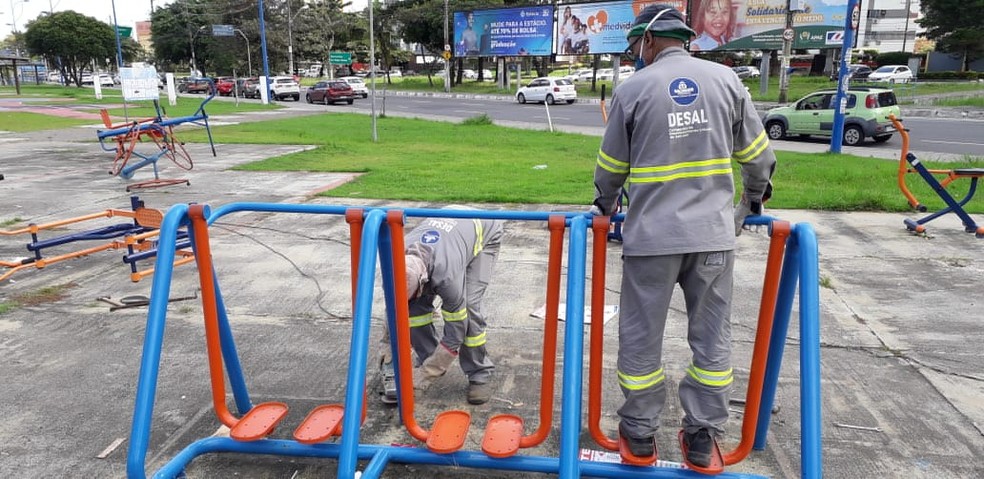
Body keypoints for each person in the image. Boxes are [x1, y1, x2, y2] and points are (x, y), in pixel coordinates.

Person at [592, 4, 775, 472]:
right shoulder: (726, 81)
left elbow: (611, 168)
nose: (636, 54)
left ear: (649, 40)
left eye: (636, 46)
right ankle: (702, 433)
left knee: (640, 339)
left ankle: (639, 431)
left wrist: (604, 205)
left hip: (652, 239)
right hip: (713, 238)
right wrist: (751, 202)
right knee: (712, 339)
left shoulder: (633, 89)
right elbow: (758, 158)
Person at [400, 212, 504, 405]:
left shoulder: (446, 277)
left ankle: (479, 373)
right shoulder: (395, 259)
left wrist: (428, 374)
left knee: (470, 308)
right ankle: (427, 358)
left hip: (483, 230)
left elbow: (456, 329)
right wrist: (386, 349)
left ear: (423, 282)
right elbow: (395, 311)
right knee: (413, 309)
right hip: (452, 236)